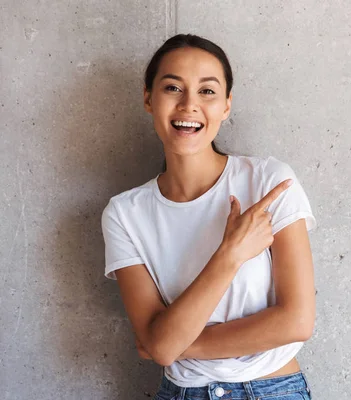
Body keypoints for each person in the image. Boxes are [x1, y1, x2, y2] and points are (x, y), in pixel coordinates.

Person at [101, 34, 316, 400]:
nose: (189, 105)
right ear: (148, 99)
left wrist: (176, 343)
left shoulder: (267, 182)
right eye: (173, 87)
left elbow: (297, 321)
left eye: (207, 91)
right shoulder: (124, 213)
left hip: (272, 389)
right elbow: (160, 346)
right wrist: (229, 255)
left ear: (227, 106)